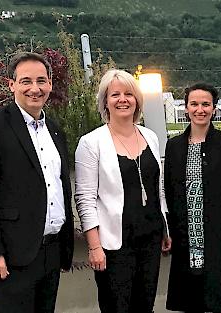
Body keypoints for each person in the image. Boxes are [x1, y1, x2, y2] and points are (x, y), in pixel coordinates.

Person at [0, 52, 74, 312]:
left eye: (41, 81)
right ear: (11, 84)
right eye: (26, 81)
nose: (34, 89)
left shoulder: (55, 130)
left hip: (51, 250)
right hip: (13, 255)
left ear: (50, 84)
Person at [74, 69, 170, 312]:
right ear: (105, 101)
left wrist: (165, 228)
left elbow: (157, 187)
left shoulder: (150, 136)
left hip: (150, 239)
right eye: (115, 94)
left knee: (145, 305)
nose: (122, 99)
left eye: (129, 93)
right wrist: (94, 247)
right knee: (117, 306)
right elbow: (84, 199)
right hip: (114, 245)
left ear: (137, 99)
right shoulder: (91, 143)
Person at [164, 83, 221, 313]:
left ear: (214, 109)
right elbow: (170, 194)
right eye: (194, 104)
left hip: (220, 239)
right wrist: (171, 233)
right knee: (192, 301)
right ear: (186, 108)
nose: (200, 109)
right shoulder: (174, 146)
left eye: (205, 104)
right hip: (186, 239)